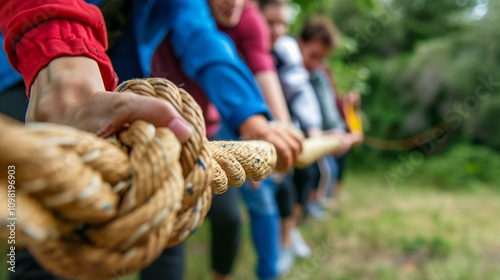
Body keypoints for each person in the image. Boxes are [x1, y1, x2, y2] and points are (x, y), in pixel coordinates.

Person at [0, 1, 302, 279]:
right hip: (24, 71)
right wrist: (62, 56)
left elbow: (199, 35)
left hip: (124, 100)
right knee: (45, 232)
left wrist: (251, 117)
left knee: (162, 210)